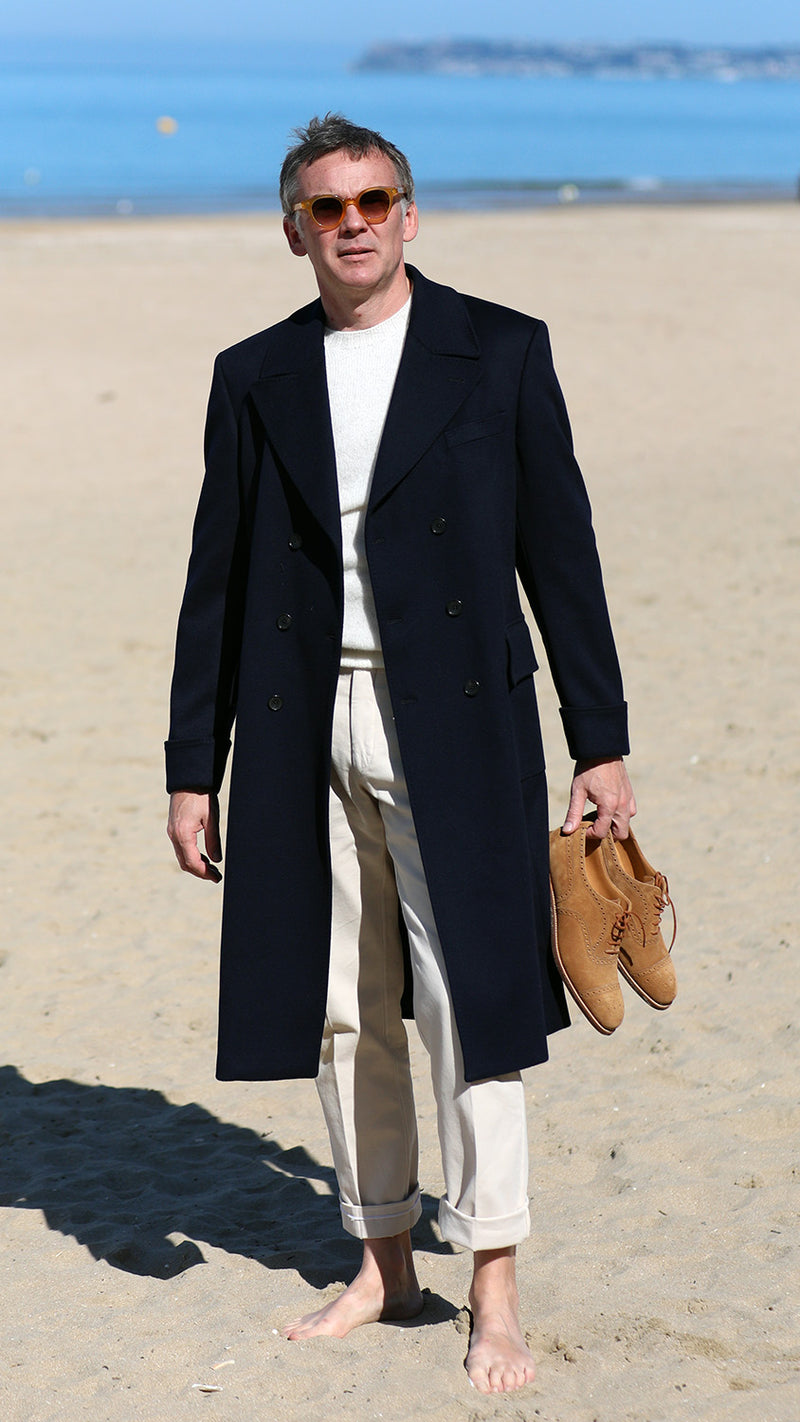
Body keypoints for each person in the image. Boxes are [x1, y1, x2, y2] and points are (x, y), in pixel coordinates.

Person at [166, 113, 635, 1396]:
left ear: (410, 214)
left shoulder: (499, 351)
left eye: (375, 199)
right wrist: (188, 762)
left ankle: (494, 1285)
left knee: (470, 1002)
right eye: (327, 207)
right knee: (338, 1011)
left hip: (462, 720)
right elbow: (218, 576)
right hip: (298, 726)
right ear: (293, 231)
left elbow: (563, 555)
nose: (354, 221)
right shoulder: (253, 373)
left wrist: (599, 742)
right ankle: (384, 1264)